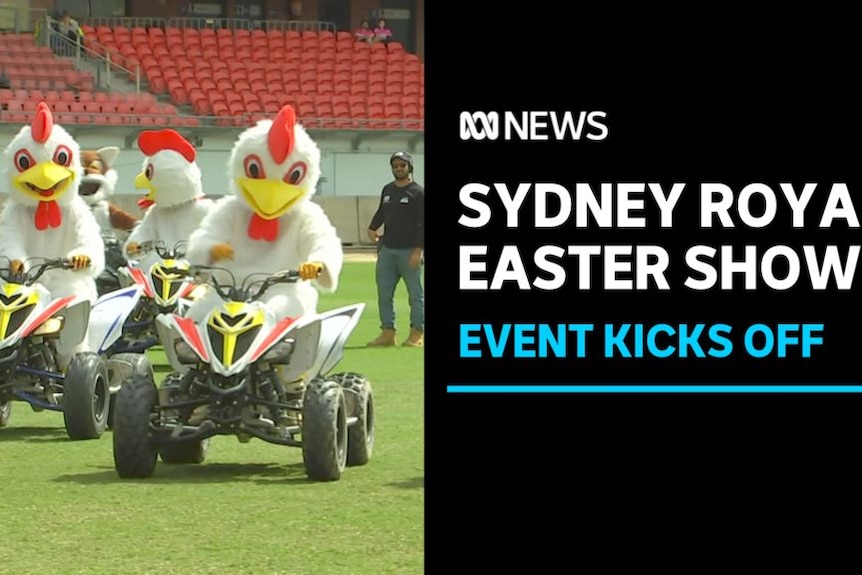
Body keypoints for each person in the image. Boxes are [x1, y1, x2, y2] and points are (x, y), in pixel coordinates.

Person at [366, 151, 424, 348]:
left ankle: (417, 332)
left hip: (410, 252)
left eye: (402, 165)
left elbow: (423, 224)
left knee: (415, 295)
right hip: (387, 251)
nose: (399, 168)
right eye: (395, 165)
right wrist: (372, 227)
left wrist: (419, 250)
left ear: (409, 167)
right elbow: (382, 211)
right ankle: (387, 333)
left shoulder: (418, 192)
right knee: (384, 294)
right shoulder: (388, 190)